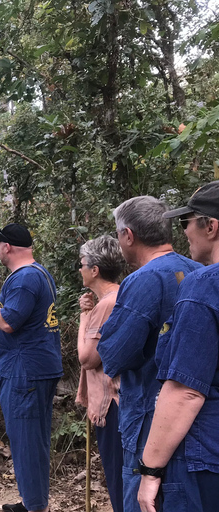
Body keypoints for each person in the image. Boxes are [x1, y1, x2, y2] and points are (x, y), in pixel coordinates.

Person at [96, 196, 202, 512]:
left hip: (148, 415)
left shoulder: (143, 280)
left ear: (128, 235)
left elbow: (114, 354)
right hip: (195, 415)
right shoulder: (199, 271)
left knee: (144, 499)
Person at [0, 223, 62, 512]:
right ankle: (34, 501)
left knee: (27, 443)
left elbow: (8, 321)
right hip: (37, 367)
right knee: (33, 441)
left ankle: (35, 506)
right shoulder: (40, 274)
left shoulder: (24, 279)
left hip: (25, 372)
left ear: (7, 247)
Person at [137, 181, 219, 512]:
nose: (183, 232)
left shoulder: (204, 287)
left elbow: (186, 391)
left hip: (206, 458)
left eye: (186, 222)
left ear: (211, 226)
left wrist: (150, 470)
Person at [76, 235, 127, 512]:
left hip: (112, 404)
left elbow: (87, 358)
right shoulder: (120, 295)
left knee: (119, 477)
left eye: (82, 264)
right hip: (120, 401)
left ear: (95, 270)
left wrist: (86, 317)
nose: (80, 269)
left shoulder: (106, 304)